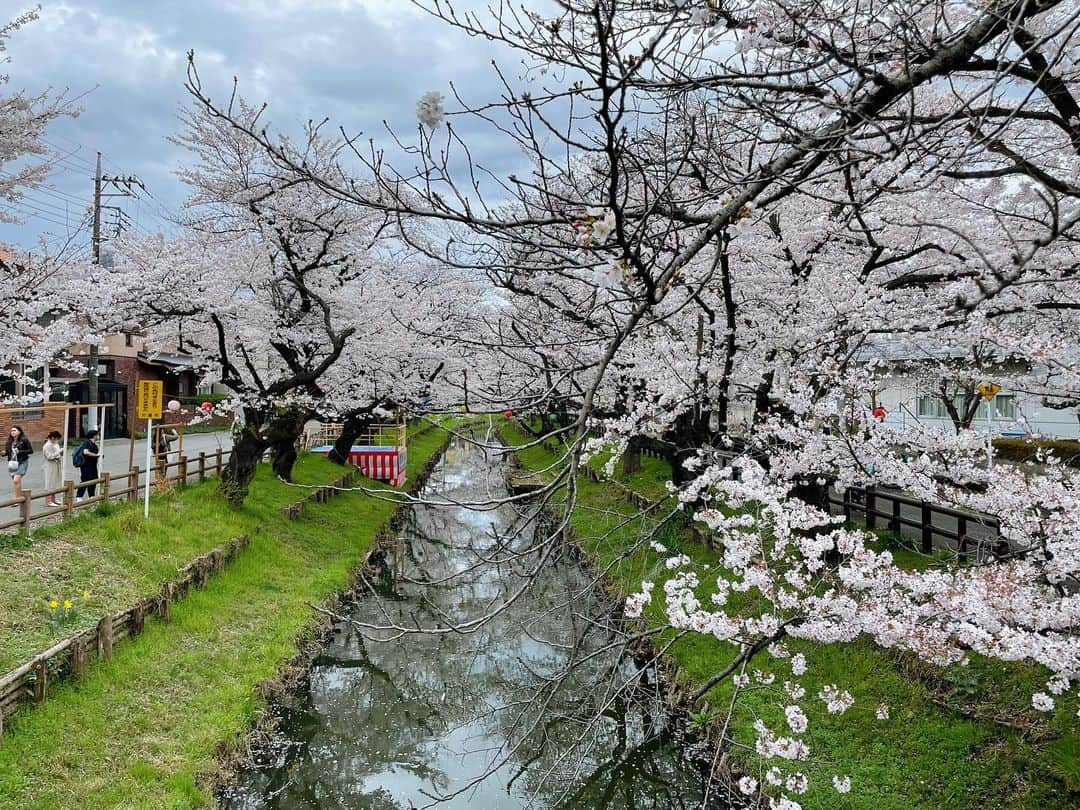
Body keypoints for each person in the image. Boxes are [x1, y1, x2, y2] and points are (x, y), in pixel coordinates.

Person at [5, 426, 33, 500]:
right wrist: (4, 453)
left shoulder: (24, 440)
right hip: (13, 462)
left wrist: (20, 452)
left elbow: (31, 451)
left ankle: (17, 499)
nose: (12, 432)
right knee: (16, 482)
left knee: (16, 480)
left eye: (14, 430)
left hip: (22, 461)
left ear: (19, 431)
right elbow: (8, 452)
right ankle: (18, 497)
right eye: (11, 431)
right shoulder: (9, 442)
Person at [74, 429, 100, 502]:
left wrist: (98, 456)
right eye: (97, 435)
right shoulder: (87, 442)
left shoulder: (94, 444)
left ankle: (91, 495)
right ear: (94, 435)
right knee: (85, 479)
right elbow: (86, 452)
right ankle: (79, 496)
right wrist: (96, 455)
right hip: (86, 465)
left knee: (94, 479)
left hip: (93, 465)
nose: (98, 436)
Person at [42, 430, 63, 506]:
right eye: (57, 438)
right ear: (53, 438)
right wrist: (59, 452)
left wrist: (60, 453)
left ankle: (53, 499)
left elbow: (58, 454)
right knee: (49, 482)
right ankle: (48, 501)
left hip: (56, 463)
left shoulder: (55, 444)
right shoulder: (47, 445)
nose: (57, 440)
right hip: (49, 465)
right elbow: (49, 456)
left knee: (55, 482)